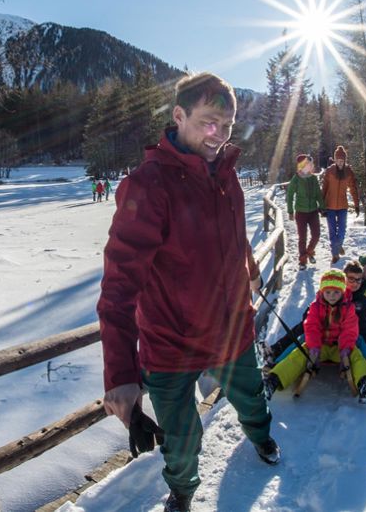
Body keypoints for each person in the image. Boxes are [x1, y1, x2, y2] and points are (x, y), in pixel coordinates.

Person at [97, 72, 279, 512]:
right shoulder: (148, 185)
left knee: (252, 398)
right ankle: (182, 491)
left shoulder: (227, 176)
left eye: (228, 125)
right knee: (180, 440)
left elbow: (236, 239)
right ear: (179, 116)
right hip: (170, 346)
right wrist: (121, 374)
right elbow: (119, 285)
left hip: (232, 331)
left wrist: (251, 270)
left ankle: (261, 435)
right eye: (208, 122)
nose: (218, 135)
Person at [263, 269, 366, 404]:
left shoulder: (348, 308)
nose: (332, 296)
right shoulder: (316, 307)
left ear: (343, 291)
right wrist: (314, 347)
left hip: (339, 349)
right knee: (298, 354)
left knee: (356, 356)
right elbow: (311, 328)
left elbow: (350, 330)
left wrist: (346, 349)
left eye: (336, 292)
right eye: (328, 292)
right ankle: (274, 380)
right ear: (322, 292)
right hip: (319, 347)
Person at [321, 145, 360, 263]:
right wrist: (322, 206)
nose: (340, 163)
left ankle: (338, 245)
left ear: (345, 160)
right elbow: (324, 189)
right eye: (338, 160)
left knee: (342, 229)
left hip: (343, 206)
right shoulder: (329, 171)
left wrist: (357, 204)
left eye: (342, 160)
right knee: (332, 231)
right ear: (335, 160)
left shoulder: (348, 172)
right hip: (330, 206)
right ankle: (335, 253)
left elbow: (353, 189)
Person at [286, 154, 325, 270]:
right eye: (309, 164)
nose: (311, 166)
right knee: (302, 237)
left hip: (313, 211)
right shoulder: (296, 179)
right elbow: (290, 195)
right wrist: (290, 211)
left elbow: (318, 194)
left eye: (311, 164)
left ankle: (309, 252)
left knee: (316, 235)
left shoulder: (313, 178)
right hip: (301, 213)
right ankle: (303, 261)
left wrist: (322, 207)